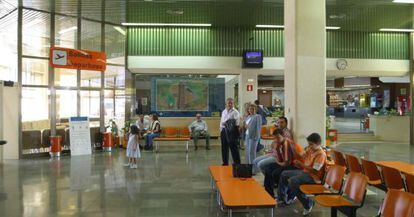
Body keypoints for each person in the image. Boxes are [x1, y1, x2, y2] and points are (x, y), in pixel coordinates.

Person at [277, 133, 327, 216]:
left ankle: (307, 203)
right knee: (284, 174)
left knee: (293, 181)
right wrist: (293, 148)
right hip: (305, 172)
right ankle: (282, 199)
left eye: (311, 144)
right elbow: (301, 155)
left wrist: (301, 165)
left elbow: (315, 171)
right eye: (309, 144)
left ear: (318, 143)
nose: (309, 146)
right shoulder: (310, 149)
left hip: (313, 177)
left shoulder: (321, 154)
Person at [262, 129, 297, 198]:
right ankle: (269, 194)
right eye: (275, 138)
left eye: (278, 137)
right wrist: (276, 148)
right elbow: (280, 159)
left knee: (276, 173)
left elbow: (287, 163)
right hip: (284, 163)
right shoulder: (279, 143)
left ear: (283, 136)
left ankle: (288, 192)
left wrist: (278, 163)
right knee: (268, 168)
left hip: (293, 165)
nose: (276, 140)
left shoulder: (287, 143)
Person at [220, 98, 241, 165]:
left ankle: (237, 163)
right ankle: (225, 163)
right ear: (226, 104)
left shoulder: (235, 112)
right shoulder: (224, 111)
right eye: (228, 103)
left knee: (233, 148)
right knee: (224, 147)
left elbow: (236, 123)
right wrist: (221, 130)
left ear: (233, 104)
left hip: (232, 131)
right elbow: (222, 122)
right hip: (223, 130)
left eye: (231, 103)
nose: (230, 104)